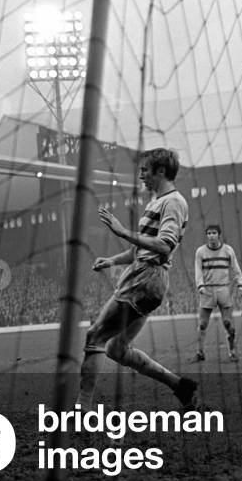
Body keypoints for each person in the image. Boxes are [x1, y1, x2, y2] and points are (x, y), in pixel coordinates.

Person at [78, 148, 198, 410]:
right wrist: (111, 260)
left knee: (94, 336)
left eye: (145, 170)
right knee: (116, 350)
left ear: (161, 171)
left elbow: (164, 245)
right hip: (145, 278)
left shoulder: (173, 202)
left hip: (145, 278)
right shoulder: (156, 202)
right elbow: (138, 250)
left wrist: (123, 231)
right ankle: (180, 386)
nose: (141, 175)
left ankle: (82, 408)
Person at [192, 224, 242, 362]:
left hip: (224, 290)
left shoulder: (228, 250)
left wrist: (241, 285)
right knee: (202, 324)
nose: (211, 235)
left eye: (213, 233)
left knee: (228, 323)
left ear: (218, 234)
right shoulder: (200, 252)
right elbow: (198, 270)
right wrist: (200, 286)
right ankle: (200, 353)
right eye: (209, 233)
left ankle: (232, 352)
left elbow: (236, 268)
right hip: (207, 290)